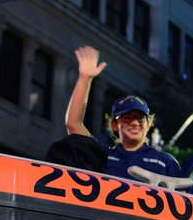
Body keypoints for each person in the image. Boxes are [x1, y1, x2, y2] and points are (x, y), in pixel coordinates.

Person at [65, 46, 181, 181]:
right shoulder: (103, 155)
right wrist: (85, 79)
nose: (134, 123)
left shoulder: (166, 161)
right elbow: (73, 125)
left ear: (148, 124)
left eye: (140, 118)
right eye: (127, 118)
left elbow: (183, 199)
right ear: (114, 125)